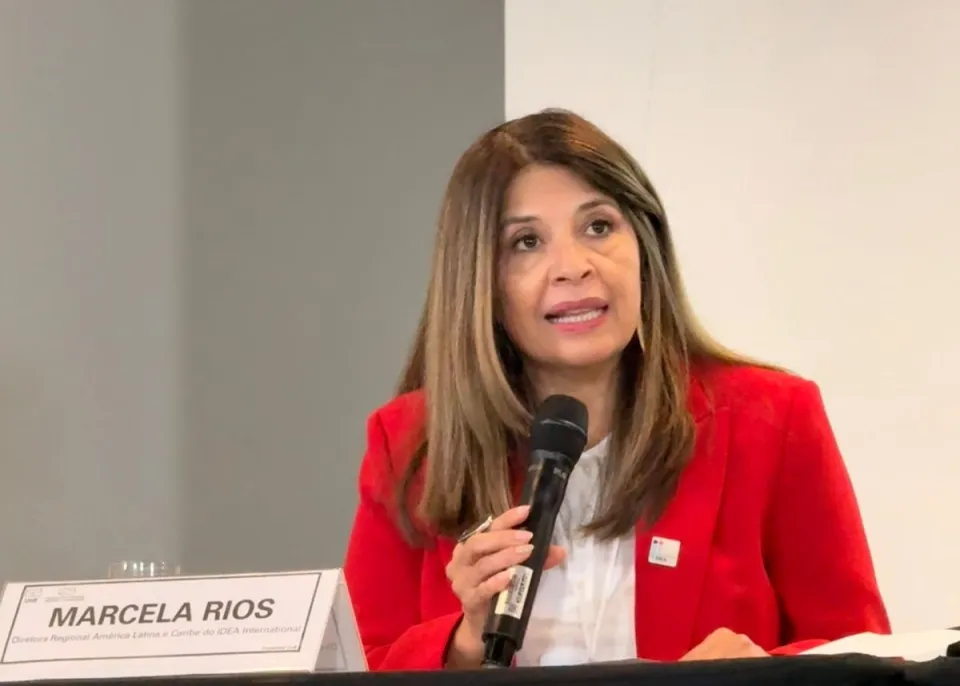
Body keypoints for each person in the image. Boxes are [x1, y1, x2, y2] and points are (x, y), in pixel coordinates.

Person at [343, 109, 890, 671]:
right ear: (479, 279)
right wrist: (464, 640)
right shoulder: (411, 442)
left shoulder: (771, 418)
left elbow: (863, 654)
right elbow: (358, 668)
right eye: (527, 242)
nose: (573, 267)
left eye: (599, 227)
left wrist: (763, 673)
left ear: (644, 247)